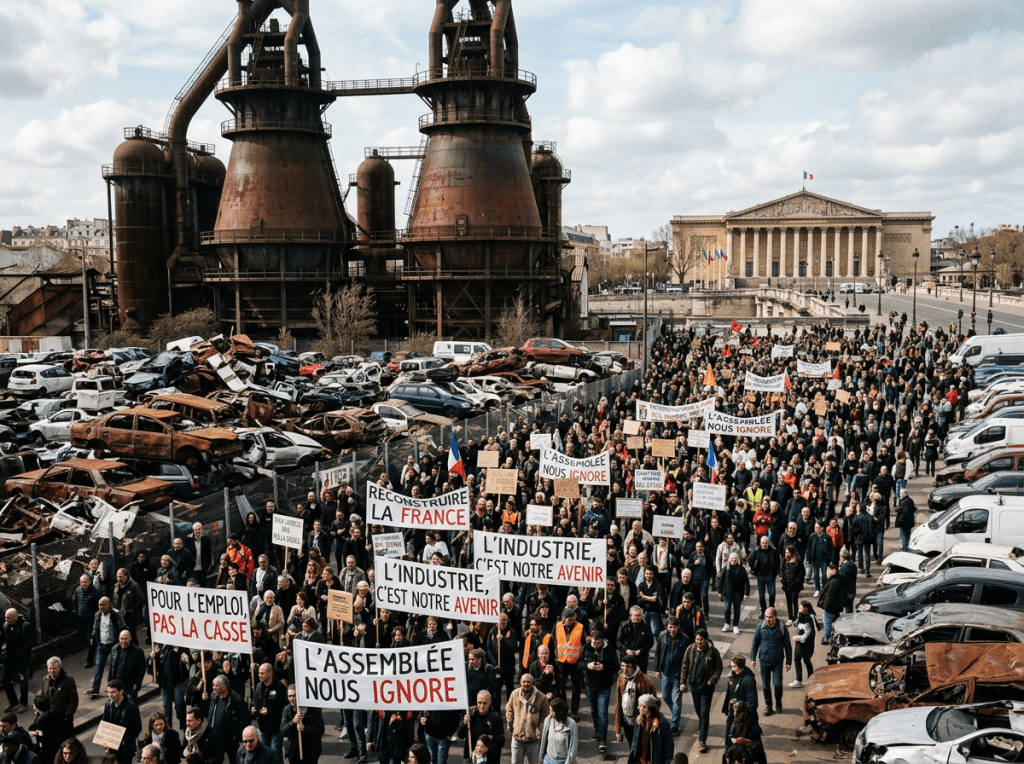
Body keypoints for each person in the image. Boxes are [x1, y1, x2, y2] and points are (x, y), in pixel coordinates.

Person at [680, 629, 722, 754]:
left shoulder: (713, 652)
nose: (699, 642)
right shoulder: (690, 649)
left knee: (704, 713)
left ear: (706, 640)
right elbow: (685, 665)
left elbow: (719, 668)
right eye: (697, 639)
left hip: (707, 688)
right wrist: (683, 682)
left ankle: (702, 740)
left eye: (701, 640)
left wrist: (712, 681)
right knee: (698, 710)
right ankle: (703, 725)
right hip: (694, 686)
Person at [748, 608, 792, 716]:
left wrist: (788, 661)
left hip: (777, 662)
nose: (768, 619)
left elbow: (787, 645)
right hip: (764, 661)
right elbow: (755, 643)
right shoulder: (761, 627)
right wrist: (752, 658)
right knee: (765, 686)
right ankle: (768, 706)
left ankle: (778, 703)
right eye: (766, 617)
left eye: (771, 617)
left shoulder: (782, 627)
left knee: (777, 684)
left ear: (775, 617)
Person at [652, 616, 688, 734]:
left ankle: (675, 725)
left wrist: (684, 679)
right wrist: (657, 669)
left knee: (677, 700)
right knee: (666, 696)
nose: (672, 629)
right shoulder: (662, 636)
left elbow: (687, 660)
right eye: (670, 627)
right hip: (666, 672)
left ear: (679, 627)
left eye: (674, 627)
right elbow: (657, 653)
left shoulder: (685, 639)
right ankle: (675, 713)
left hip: (678, 674)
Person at [505, 673, 549, 764]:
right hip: (517, 739)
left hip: (533, 740)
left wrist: (539, 730)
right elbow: (509, 708)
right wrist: (510, 723)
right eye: (523, 682)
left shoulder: (542, 698)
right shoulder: (514, 694)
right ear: (520, 683)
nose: (526, 684)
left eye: (528, 682)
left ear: (533, 683)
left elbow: (545, 715)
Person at [88, 598, 126, 697]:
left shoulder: (116, 614)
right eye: (100, 605)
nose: (102, 607)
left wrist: (121, 641)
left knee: (114, 666)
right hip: (102, 644)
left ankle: (113, 687)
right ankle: (95, 689)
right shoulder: (97, 614)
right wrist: (93, 637)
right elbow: (95, 627)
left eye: (104, 605)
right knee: (99, 666)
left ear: (109, 605)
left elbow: (122, 626)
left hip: (113, 644)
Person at [612, 655, 652, 749]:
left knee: (641, 748)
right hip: (627, 720)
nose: (625, 669)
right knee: (632, 746)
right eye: (623, 666)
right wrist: (617, 729)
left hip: (641, 722)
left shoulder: (645, 680)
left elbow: (654, 703)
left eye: (628, 667)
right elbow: (618, 703)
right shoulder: (621, 678)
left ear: (634, 667)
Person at [2, 609, 37, 713]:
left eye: (8, 618)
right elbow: (4, 639)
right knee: (4, 680)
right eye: (5, 618)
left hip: (22, 660)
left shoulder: (25, 626)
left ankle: (23, 703)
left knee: (22, 681)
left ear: (15, 617)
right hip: (9, 659)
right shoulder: (6, 626)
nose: (6, 620)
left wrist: (21, 652)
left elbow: (31, 641)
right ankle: (13, 701)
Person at [251, 664, 287, 764]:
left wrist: (270, 711)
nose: (260, 675)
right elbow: (256, 702)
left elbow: (284, 707)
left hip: (276, 728)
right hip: (263, 728)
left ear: (270, 673)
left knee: (275, 753)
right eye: (259, 673)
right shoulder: (258, 687)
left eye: (262, 673)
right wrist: (254, 709)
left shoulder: (279, 687)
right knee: (265, 754)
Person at [101, 680, 142, 764]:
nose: (110, 695)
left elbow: (137, 728)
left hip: (125, 747)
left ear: (121, 691)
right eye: (108, 692)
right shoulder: (108, 705)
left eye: (113, 692)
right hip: (113, 746)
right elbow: (105, 723)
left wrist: (125, 738)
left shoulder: (131, 707)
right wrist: (105, 740)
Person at [553, 609, 585, 718]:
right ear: (564, 619)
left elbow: (584, 644)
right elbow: (553, 641)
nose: (570, 621)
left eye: (572, 619)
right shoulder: (557, 627)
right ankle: (564, 710)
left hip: (575, 663)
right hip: (561, 662)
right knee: (561, 687)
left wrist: (581, 659)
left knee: (576, 688)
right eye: (568, 619)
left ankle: (574, 713)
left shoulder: (580, 627)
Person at [457, 691, 504, 764]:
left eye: (484, 703)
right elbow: (460, 735)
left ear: (490, 702)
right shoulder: (469, 714)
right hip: (470, 757)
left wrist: (484, 749)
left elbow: (500, 741)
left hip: (489, 758)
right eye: (479, 703)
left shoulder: (495, 718)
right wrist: (464, 723)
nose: (481, 706)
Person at [208, 676, 251, 750]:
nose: (214, 688)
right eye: (213, 685)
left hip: (230, 739)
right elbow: (210, 714)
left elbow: (245, 719)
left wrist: (236, 735)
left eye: (216, 685)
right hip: (216, 737)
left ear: (224, 687)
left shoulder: (236, 700)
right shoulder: (214, 696)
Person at [628, 695, 673, 764]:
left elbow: (669, 745)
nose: (638, 708)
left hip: (654, 760)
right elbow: (635, 739)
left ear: (648, 708)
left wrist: (667, 761)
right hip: (641, 760)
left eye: (641, 706)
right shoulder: (639, 720)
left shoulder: (662, 723)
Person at [38, 658, 77, 731]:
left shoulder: (68, 680)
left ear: (59, 668)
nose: (52, 671)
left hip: (64, 719)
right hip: (50, 719)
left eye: (54, 668)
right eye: (50, 668)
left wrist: (68, 715)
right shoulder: (45, 680)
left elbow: (73, 700)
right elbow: (43, 697)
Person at [107, 630, 146, 703]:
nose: (123, 641)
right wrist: (109, 684)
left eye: (125, 639)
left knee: (129, 711)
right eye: (121, 639)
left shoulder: (138, 651)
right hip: (116, 688)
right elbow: (111, 668)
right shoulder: (114, 649)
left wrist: (136, 685)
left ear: (130, 638)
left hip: (129, 688)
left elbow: (141, 669)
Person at [721, 656, 758, 729]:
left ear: (741, 666)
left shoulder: (749, 680)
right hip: (733, 712)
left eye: (735, 666)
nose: (733, 669)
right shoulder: (734, 675)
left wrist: (742, 712)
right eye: (732, 666)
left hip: (743, 715)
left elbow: (752, 701)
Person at [717, 553, 749, 636]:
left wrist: (746, 593)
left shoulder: (741, 569)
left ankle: (735, 625)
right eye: (731, 558)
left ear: (737, 559)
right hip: (727, 592)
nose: (733, 560)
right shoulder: (726, 568)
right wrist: (719, 591)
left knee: (737, 609)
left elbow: (746, 581)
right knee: (727, 608)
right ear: (729, 559)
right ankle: (727, 624)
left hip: (738, 592)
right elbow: (720, 580)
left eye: (735, 558)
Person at [537, 700, 577, 764]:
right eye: (550, 710)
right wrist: (540, 757)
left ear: (560, 712)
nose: (551, 713)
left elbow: (573, 747)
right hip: (547, 759)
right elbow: (543, 740)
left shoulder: (571, 724)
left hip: (562, 761)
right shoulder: (548, 720)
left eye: (553, 711)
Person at [73, 576, 100, 667]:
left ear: (89, 582)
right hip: (81, 620)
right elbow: (76, 603)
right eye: (81, 582)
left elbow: (99, 608)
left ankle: (90, 660)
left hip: (91, 621)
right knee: (82, 639)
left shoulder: (96, 592)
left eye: (85, 582)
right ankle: (96, 648)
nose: (83, 584)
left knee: (91, 640)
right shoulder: (78, 590)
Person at [27, 697, 63, 764]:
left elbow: (43, 732)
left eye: (34, 705)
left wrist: (36, 733)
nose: (33, 706)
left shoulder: (43, 719)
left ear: (38, 708)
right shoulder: (47, 713)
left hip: (48, 746)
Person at [789, 601, 817, 689]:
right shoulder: (801, 616)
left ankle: (810, 678)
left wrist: (800, 638)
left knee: (806, 660)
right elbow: (796, 624)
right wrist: (797, 617)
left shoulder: (810, 618)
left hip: (807, 643)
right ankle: (800, 679)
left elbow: (809, 632)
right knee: (797, 659)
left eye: (801, 608)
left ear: (806, 609)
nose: (799, 609)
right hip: (800, 642)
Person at [817, 564, 844, 644]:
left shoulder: (833, 581)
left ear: (834, 571)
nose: (827, 572)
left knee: (827, 623)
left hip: (831, 608)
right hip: (835, 607)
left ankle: (827, 638)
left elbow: (830, 595)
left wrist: (825, 606)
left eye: (828, 570)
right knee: (833, 623)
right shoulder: (836, 580)